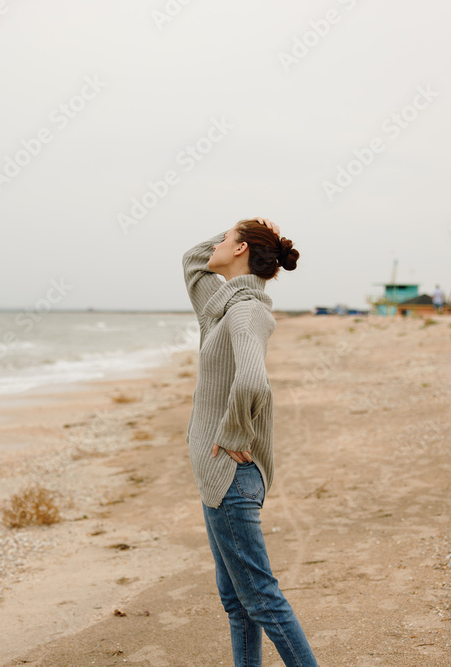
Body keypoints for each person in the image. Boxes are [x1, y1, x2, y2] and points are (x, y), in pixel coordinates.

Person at [182, 217, 319, 667]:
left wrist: (235, 431)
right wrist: (243, 231)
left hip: (231, 476)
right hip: (218, 477)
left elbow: (254, 380)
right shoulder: (220, 304)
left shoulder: (246, 311)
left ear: (240, 250)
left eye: (225, 237)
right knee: (238, 604)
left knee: (261, 600)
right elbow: (191, 261)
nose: (216, 242)